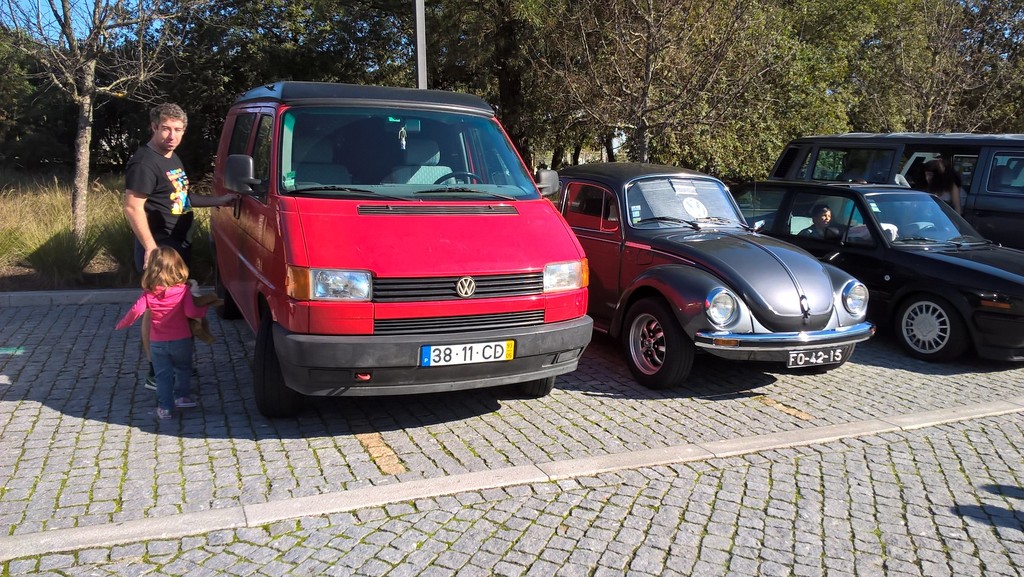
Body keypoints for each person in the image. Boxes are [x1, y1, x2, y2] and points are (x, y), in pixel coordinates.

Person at [123, 103, 236, 389]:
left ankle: (171, 364)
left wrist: (218, 202)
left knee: (174, 309)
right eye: (166, 129)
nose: (171, 136)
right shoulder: (145, 162)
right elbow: (132, 207)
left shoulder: (172, 158)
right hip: (160, 249)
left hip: (178, 247)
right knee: (156, 310)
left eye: (178, 130)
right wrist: (150, 248)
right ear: (154, 127)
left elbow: (181, 198)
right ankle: (155, 370)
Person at [115, 247, 213, 420]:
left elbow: (135, 311)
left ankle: (165, 407)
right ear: (178, 267)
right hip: (182, 340)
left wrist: (123, 324)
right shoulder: (183, 291)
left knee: (163, 376)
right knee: (184, 368)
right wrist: (203, 310)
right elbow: (191, 312)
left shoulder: (149, 294)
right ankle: (183, 397)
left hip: (158, 343)